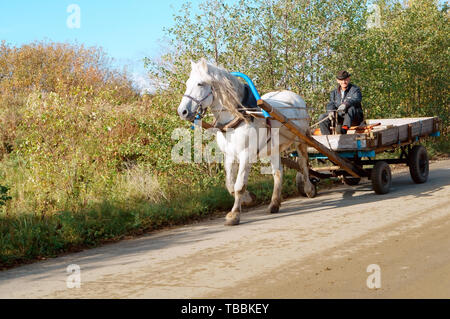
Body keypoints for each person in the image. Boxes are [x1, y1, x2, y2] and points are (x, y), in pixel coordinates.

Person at [319, 71, 364, 135]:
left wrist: (345, 104)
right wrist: (330, 112)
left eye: (345, 79)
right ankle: (327, 137)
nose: (343, 82)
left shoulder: (355, 89)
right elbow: (331, 103)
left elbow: (356, 99)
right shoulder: (334, 92)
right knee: (322, 117)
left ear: (349, 79)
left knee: (351, 108)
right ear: (338, 81)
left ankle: (344, 130)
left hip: (354, 118)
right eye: (341, 80)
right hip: (340, 117)